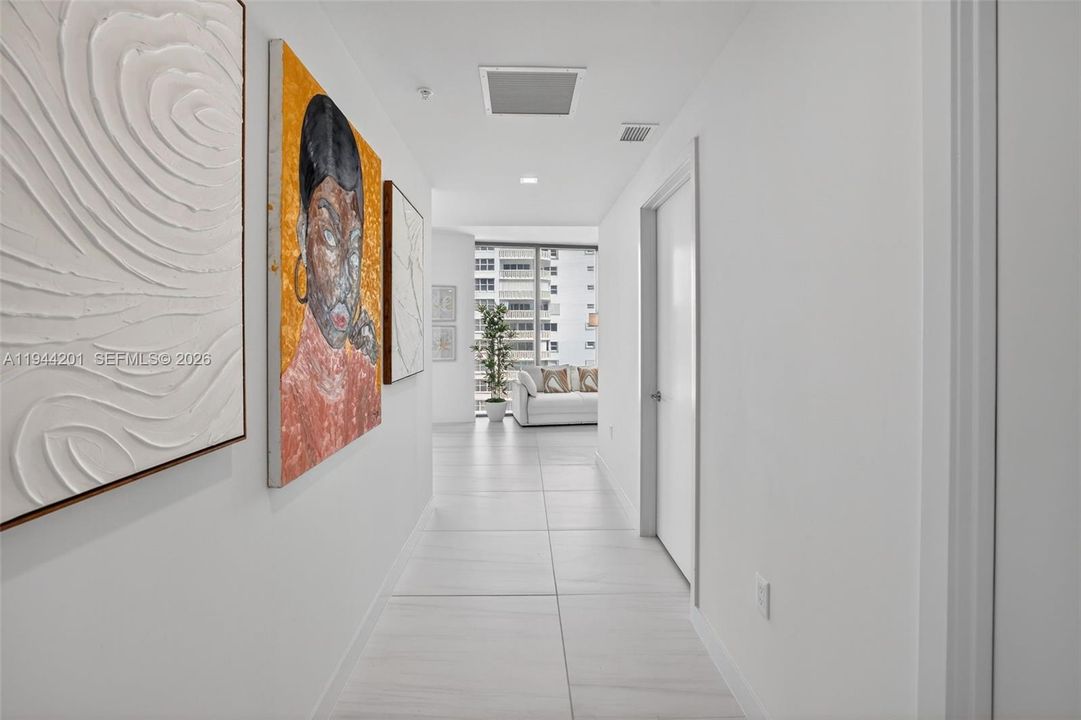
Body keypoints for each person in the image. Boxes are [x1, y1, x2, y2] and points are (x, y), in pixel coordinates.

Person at [279, 94, 379, 483]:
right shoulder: (290, 397)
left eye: (354, 247)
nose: (346, 277)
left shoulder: (362, 373)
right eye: (330, 237)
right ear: (303, 232)